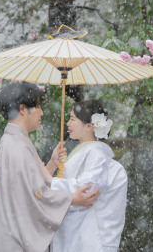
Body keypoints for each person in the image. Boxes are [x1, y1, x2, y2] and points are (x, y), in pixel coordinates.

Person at [0, 82, 100, 252]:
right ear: (23, 109)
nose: (42, 112)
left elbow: (26, 187)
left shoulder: (12, 142)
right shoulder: (17, 146)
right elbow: (35, 196)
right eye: (38, 106)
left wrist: (52, 165)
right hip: (15, 242)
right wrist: (72, 199)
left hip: (7, 238)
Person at [46, 100, 128, 252]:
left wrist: (50, 183)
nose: (68, 124)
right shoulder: (86, 150)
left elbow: (86, 188)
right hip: (78, 233)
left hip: (88, 237)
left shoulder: (96, 153)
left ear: (89, 126)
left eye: (72, 119)